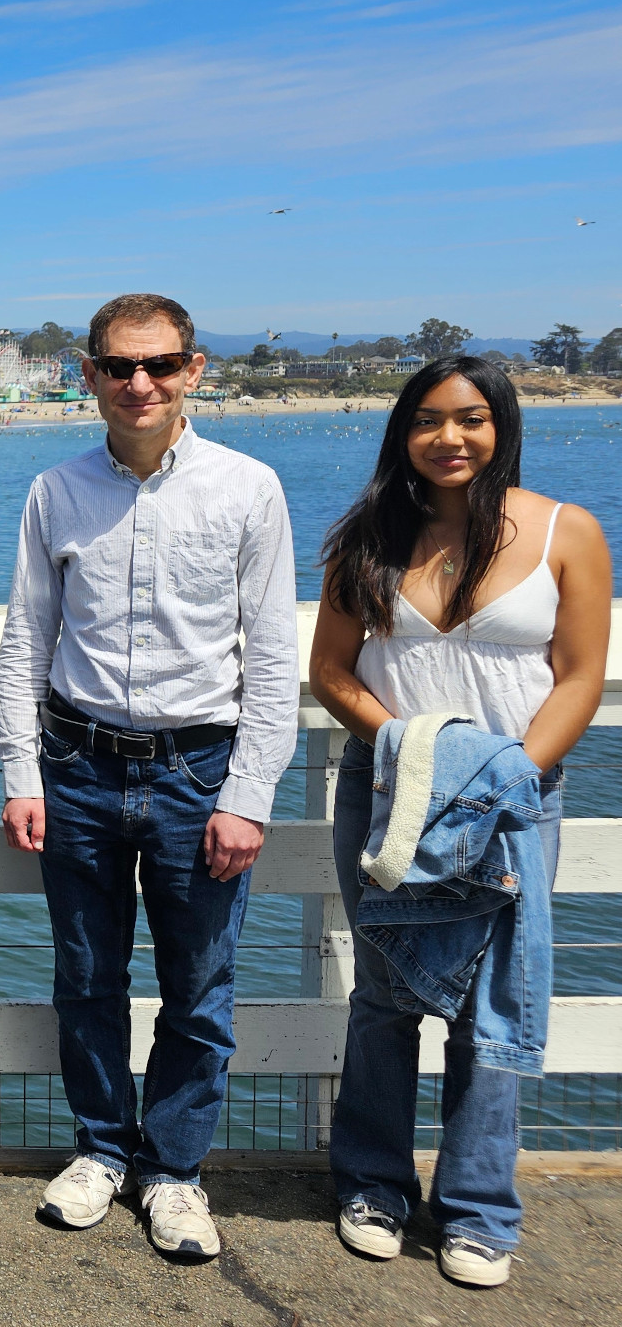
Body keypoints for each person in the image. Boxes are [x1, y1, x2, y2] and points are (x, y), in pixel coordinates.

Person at [0, 293, 299, 1260]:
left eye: (159, 366)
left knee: (199, 987)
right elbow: (24, 640)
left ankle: (173, 1170)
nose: (140, 385)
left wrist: (247, 795)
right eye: (119, 367)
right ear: (87, 374)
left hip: (198, 770)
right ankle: (100, 1150)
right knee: (85, 979)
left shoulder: (248, 488)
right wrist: (19, 772)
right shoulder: (55, 489)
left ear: (193, 370)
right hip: (77, 764)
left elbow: (272, 658)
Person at [310, 356, 609, 1288]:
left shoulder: (568, 530)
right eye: (429, 421)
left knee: (495, 1002)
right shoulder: (365, 537)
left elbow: (580, 674)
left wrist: (512, 770)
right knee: (385, 994)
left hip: (515, 795)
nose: (450, 438)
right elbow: (332, 672)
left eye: (471, 420)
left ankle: (478, 1209)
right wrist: (412, 749)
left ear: (499, 426)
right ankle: (372, 1185)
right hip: (390, 791)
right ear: (402, 433)